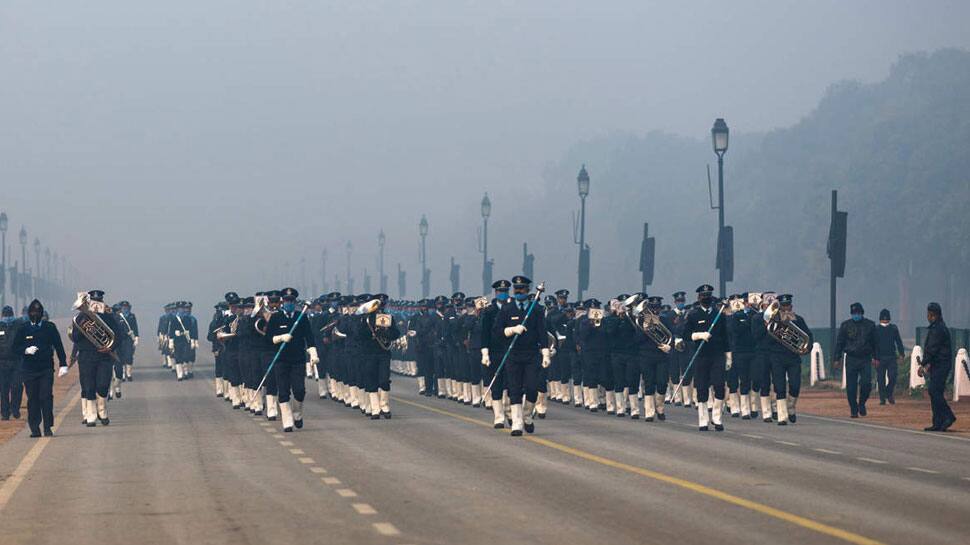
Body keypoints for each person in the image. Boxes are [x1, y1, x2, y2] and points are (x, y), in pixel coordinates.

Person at [491, 275, 547, 436]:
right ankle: (517, 422)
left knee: (531, 387)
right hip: (513, 353)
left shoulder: (535, 309)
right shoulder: (507, 310)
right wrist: (511, 330)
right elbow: (496, 332)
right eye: (516, 288)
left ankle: (528, 415)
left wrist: (545, 353)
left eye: (521, 288)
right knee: (514, 389)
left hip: (531, 354)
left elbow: (542, 333)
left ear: (528, 290)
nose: (518, 291)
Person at [12, 300, 67, 437]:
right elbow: (14, 348)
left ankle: (48, 426)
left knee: (46, 397)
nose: (34, 314)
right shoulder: (23, 328)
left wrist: (63, 364)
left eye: (37, 312)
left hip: (46, 368)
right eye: (32, 312)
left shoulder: (49, 327)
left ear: (42, 313)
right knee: (33, 399)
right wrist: (25, 350)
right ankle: (35, 428)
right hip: (29, 370)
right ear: (29, 314)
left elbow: (59, 346)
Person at [681, 285, 730, 431]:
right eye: (703, 295)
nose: (706, 298)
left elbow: (726, 337)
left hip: (717, 355)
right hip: (701, 355)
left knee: (719, 386)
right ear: (698, 298)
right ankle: (703, 420)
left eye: (708, 295)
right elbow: (685, 335)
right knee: (701, 387)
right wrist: (699, 335)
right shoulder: (693, 315)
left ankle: (717, 417)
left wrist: (729, 356)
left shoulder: (718, 314)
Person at [266, 287, 314, 432]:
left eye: (291, 301)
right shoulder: (275, 318)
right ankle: (287, 420)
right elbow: (268, 338)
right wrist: (281, 337)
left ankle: (297, 413)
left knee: (299, 390)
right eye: (287, 300)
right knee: (284, 391)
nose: (289, 303)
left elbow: (309, 337)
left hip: (298, 359)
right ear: (282, 302)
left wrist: (313, 353)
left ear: (295, 302)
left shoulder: (301, 317)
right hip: (281, 360)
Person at [760, 294, 812, 425]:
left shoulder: (799, 320)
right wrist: (774, 328)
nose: (785, 308)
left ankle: (791, 407)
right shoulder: (773, 320)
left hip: (793, 357)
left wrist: (807, 348)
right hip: (777, 356)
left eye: (787, 305)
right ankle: (782, 416)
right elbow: (765, 340)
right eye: (783, 306)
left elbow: (808, 336)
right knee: (779, 386)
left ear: (791, 306)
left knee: (795, 385)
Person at [71, 290, 120, 427]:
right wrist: (83, 326)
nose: (96, 304)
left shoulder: (109, 316)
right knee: (89, 386)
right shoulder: (80, 318)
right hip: (86, 356)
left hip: (104, 356)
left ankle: (102, 411)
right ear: (89, 302)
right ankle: (91, 416)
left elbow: (118, 335)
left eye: (99, 301)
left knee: (103, 385)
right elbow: (75, 338)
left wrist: (110, 347)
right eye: (94, 302)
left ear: (102, 301)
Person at [834, 302, 879, 418]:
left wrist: (876, 357)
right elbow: (839, 343)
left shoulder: (870, 325)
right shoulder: (845, 326)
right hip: (851, 358)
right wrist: (836, 359)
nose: (856, 315)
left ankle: (862, 403)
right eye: (854, 313)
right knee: (851, 387)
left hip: (865, 358)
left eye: (858, 313)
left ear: (862, 313)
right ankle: (853, 409)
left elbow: (875, 343)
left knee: (866, 384)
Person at [921, 302, 956, 432]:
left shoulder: (938, 329)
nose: (927, 316)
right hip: (938, 364)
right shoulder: (937, 327)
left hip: (942, 364)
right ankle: (937, 422)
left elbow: (932, 349)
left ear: (932, 315)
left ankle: (948, 416)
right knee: (936, 392)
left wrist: (923, 364)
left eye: (929, 314)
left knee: (934, 391)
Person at [875, 309, 905, 405]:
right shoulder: (876, 329)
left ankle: (888, 392)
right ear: (880, 319)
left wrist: (901, 354)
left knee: (893, 376)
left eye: (886, 318)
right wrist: (873, 357)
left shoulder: (893, 328)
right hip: (879, 357)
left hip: (891, 356)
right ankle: (882, 398)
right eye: (883, 319)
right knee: (880, 379)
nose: (885, 320)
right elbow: (873, 345)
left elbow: (899, 342)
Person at [0, 305, 24, 420]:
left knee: (17, 387)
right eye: (6, 315)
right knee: (3, 389)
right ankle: (5, 413)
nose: (7, 317)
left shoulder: (19, 325)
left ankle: (15, 409)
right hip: (2, 362)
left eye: (9, 315)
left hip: (17, 362)